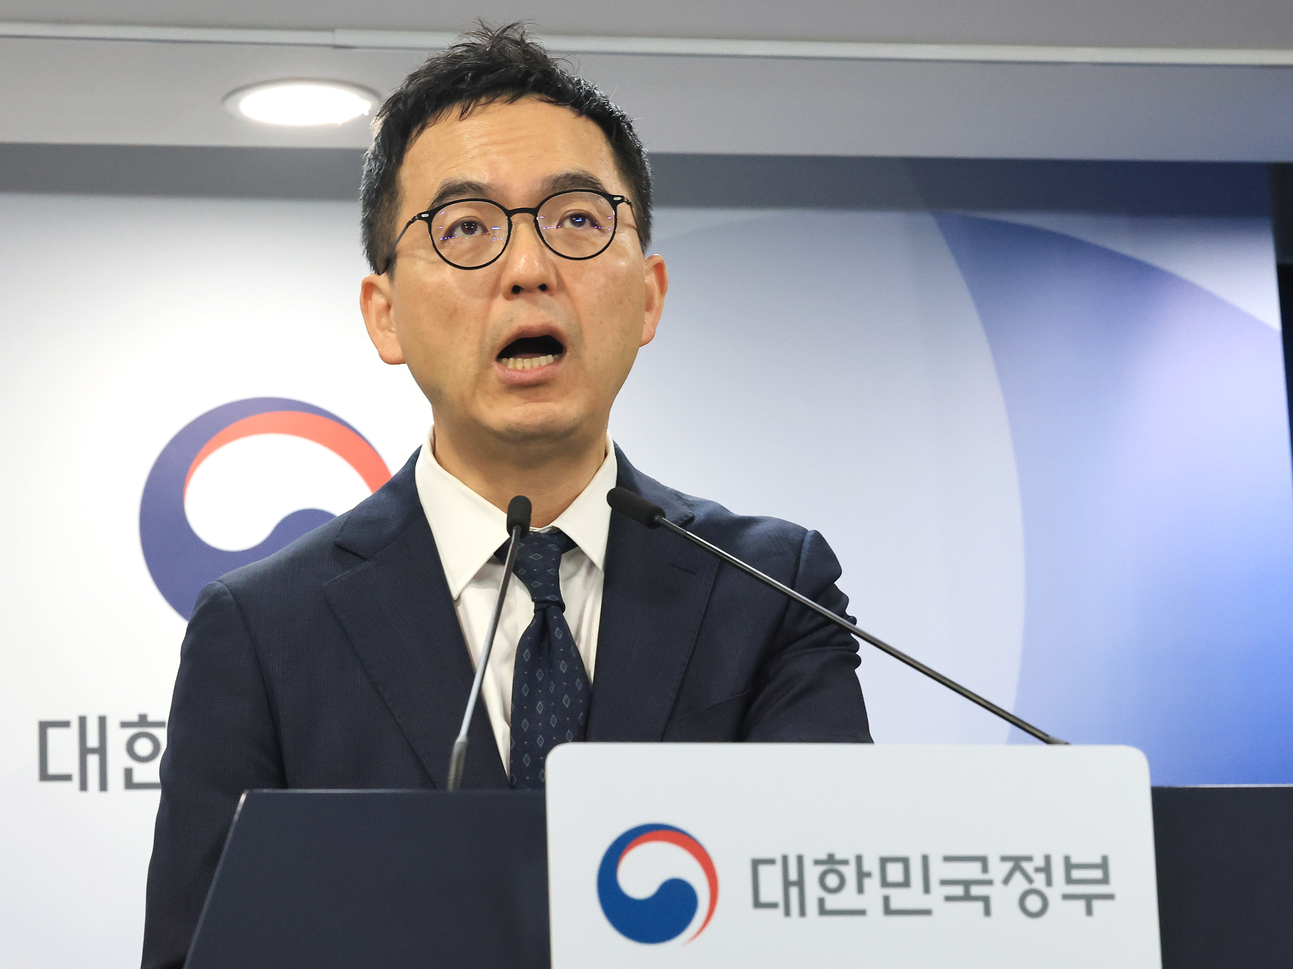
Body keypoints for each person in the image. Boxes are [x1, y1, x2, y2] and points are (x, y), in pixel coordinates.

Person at [141, 22, 871, 969]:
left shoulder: (772, 591)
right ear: (384, 314)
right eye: (467, 229)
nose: (528, 270)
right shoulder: (263, 631)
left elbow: (827, 931)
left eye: (576, 220)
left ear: (648, 296)